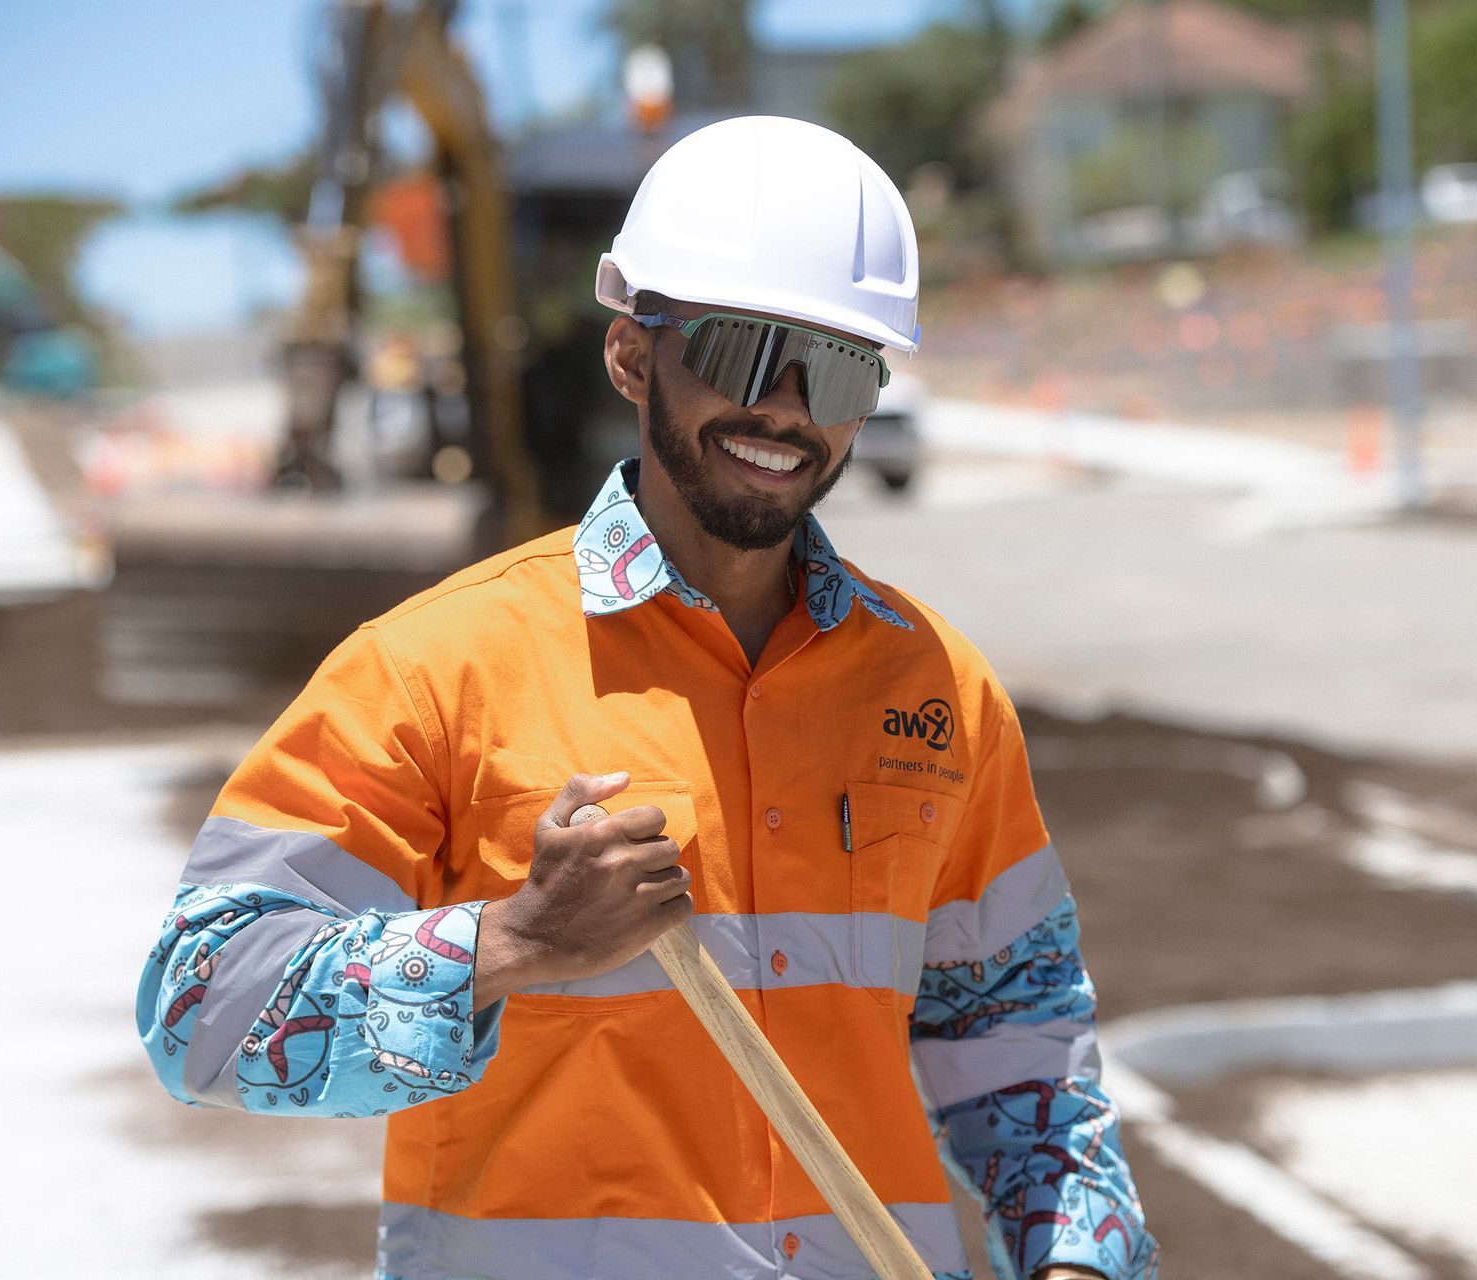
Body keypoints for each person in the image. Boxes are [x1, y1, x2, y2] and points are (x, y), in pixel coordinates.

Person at [138, 115, 1159, 1280]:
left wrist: (1075, 1263)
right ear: (632, 355)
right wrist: (512, 940)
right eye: (736, 350)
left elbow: (1024, 1049)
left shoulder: (937, 690)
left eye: (832, 367)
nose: (783, 409)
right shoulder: (437, 666)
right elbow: (199, 1004)